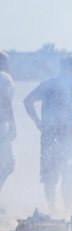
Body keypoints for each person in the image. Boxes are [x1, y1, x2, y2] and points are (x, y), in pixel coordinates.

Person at [23, 55, 72, 215]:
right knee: (54, 177)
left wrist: (38, 122)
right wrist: (37, 122)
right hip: (56, 137)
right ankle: (58, 211)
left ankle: (61, 211)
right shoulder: (66, 88)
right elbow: (27, 101)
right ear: (70, 69)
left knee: (58, 178)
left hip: (59, 136)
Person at [0, 52, 15, 197]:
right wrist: (13, 125)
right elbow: (5, 101)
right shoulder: (4, 77)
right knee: (8, 165)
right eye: (8, 62)